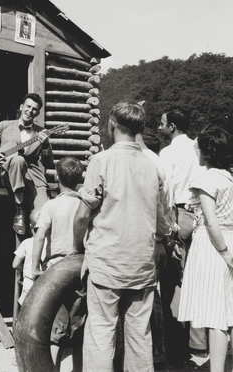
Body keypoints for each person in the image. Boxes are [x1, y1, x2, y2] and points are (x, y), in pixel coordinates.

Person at [73, 102, 169, 371]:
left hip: (107, 264)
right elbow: (160, 219)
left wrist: (76, 246)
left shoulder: (101, 160)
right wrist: (162, 238)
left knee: (101, 332)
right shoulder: (152, 166)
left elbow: (82, 216)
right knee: (139, 336)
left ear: (112, 124)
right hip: (142, 266)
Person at [178, 126, 233, 372]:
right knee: (226, 309)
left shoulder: (207, 179)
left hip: (214, 246)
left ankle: (218, 369)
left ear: (207, 153)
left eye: (198, 148)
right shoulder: (229, 177)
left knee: (215, 313)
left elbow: (210, 221)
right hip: (230, 237)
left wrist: (223, 252)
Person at [158, 108, 207, 365]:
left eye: (162, 124)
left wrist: (167, 223)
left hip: (176, 214)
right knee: (194, 278)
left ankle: (173, 343)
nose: (159, 128)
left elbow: (165, 189)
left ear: (173, 126)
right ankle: (197, 343)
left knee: (169, 280)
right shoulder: (198, 147)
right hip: (197, 214)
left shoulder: (167, 153)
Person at [0, 93, 54, 236]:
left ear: (38, 113)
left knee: (43, 217)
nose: (30, 111)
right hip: (9, 172)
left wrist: (46, 145)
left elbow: (48, 162)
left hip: (33, 176)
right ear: (22, 107)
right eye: (28, 106)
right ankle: (19, 209)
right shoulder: (5, 126)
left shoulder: (41, 132)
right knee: (18, 160)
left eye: (34, 109)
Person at [32, 156, 84, 371]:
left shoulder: (51, 205)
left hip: (57, 271)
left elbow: (40, 235)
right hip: (80, 269)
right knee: (79, 327)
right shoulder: (85, 205)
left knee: (57, 330)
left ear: (56, 177)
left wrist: (34, 267)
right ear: (80, 178)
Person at [12, 208, 44, 306]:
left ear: (30, 226)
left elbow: (15, 264)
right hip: (44, 282)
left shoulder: (26, 243)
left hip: (29, 283)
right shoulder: (49, 243)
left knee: (27, 310)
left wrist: (25, 269)